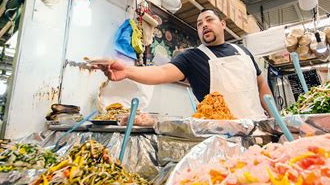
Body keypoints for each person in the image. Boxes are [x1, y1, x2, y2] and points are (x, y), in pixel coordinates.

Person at [96, 9, 273, 119]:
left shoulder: (244, 52)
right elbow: (162, 72)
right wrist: (127, 70)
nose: (204, 25)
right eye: (199, 24)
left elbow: (261, 84)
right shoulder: (192, 57)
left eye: (209, 20)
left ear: (222, 24)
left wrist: (276, 117)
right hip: (222, 137)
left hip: (258, 129)